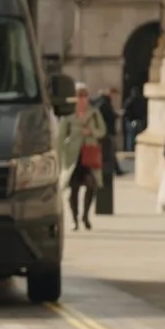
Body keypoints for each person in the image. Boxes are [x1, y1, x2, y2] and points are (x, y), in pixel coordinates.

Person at [61, 83, 107, 230]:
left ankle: (85, 216)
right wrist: (60, 155)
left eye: (84, 95)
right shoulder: (68, 115)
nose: (82, 98)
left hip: (89, 155)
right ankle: (75, 219)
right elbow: (60, 137)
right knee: (73, 189)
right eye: (79, 95)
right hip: (73, 157)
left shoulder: (94, 113)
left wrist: (91, 131)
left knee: (91, 186)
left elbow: (102, 131)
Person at [123, 87, 148, 152]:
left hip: (131, 121)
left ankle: (130, 150)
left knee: (130, 137)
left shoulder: (129, 101)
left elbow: (126, 111)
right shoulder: (142, 101)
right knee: (138, 135)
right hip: (139, 120)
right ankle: (138, 149)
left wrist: (128, 119)